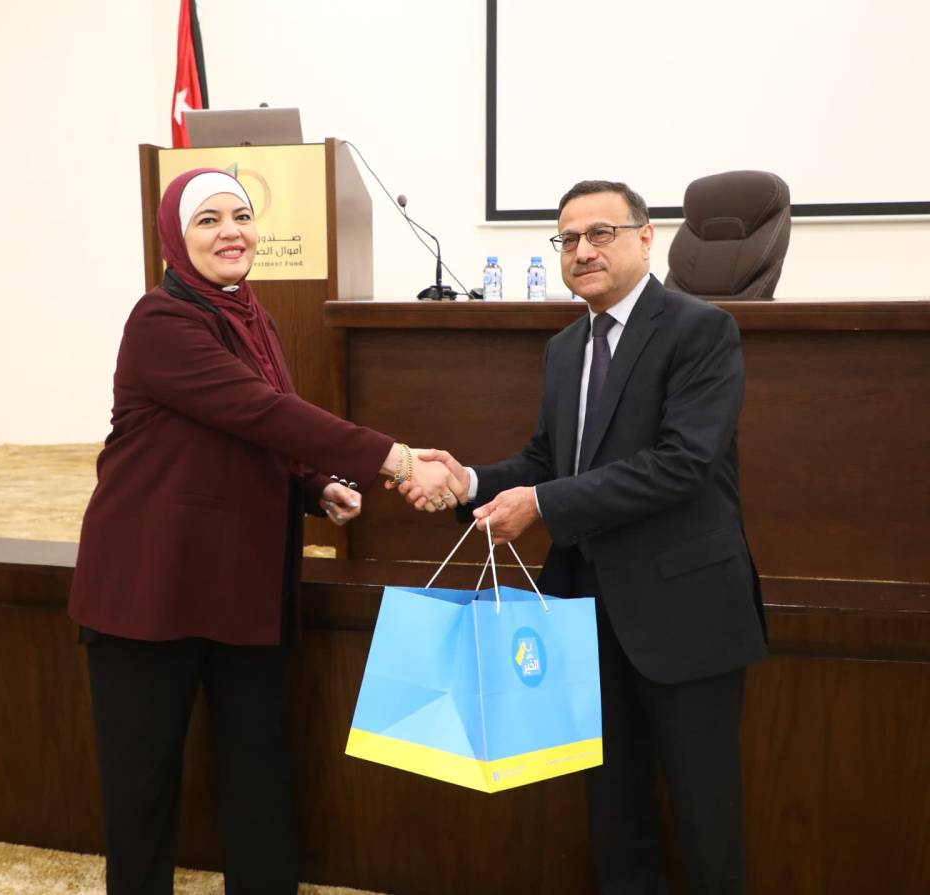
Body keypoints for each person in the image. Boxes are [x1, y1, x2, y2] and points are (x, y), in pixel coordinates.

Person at [68, 167, 460, 895]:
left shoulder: (254, 315)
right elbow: (261, 411)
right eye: (208, 219)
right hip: (150, 589)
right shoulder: (160, 321)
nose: (231, 232)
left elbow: (254, 434)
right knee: (141, 788)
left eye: (241, 217)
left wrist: (314, 486)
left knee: (260, 773)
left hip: (243, 586)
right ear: (175, 236)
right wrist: (398, 459)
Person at [404, 181, 767, 894]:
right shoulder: (566, 347)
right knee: (614, 810)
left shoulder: (701, 329)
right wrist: (468, 481)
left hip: (685, 611)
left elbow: (682, 463)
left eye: (601, 233)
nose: (583, 250)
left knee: (706, 815)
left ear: (646, 238)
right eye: (568, 239)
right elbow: (550, 461)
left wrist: (540, 503)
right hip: (587, 610)